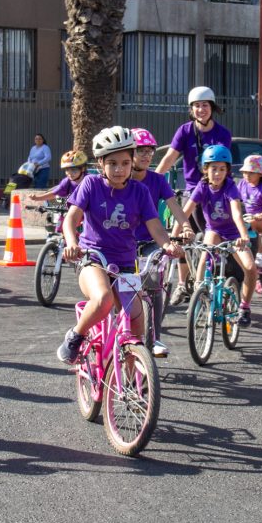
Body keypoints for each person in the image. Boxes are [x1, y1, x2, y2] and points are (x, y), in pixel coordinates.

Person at [56, 127, 182, 364]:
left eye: (125, 162)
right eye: (112, 163)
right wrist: (72, 243)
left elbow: (154, 225)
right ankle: (75, 336)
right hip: (93, 259)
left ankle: (133, 378)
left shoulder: (140, 191)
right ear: (100, 162)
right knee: (103, 299)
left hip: (125, 263)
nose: (119, 169)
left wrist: (168, 245)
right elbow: (71, 219)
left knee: (136, 319)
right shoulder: (91, 185)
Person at [155, 86, 232, 305]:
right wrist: (153, 180)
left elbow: (223, 165)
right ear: (191, 109)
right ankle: (182, 283)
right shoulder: (185, 131)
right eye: (197, 106)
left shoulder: (222, 134)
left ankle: (209, 284)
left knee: (212, 240)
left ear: (212, 108)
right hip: (190, 191)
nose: (201, 110)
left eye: (205, 105)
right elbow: (170, 157)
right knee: (181, 237)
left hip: (212, 192)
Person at [180, 144, 259, 326]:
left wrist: (244, 236)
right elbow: (185, 211)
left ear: (227, 171)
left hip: (234, 233)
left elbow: (237, 213)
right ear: (205, 169)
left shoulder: (231, 187)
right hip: (214, 230)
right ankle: (198, 298)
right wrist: (176, 234)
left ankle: (244, 308)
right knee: (205, 253)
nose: (218, 173)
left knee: (250, 268)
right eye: (213, 168)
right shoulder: (202, 186)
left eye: (222, 169)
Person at [131, 128, 192, 357]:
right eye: (140, 151)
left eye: (150, 151)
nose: (146, 156)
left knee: (155, 283)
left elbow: (173, 204)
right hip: (123, 243)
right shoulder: (122, 180)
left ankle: (155, 337)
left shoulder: (157, 179)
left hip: (150, 242)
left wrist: (185, 225)